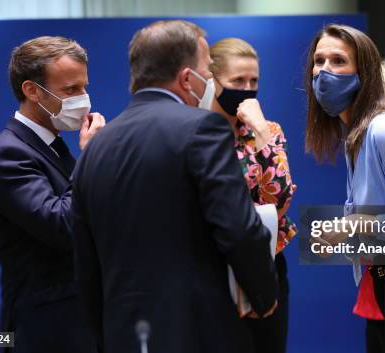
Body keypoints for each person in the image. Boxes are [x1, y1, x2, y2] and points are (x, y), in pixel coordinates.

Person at [70, 20, 278, 353]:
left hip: (122, 332)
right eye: (206, 72)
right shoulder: (203, 128)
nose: (208, 79)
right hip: (197, 331)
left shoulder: (94, 147)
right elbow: (238, 228)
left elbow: (84, 259)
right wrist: (264, 295)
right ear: (186, 78)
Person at [0, 36, 106, 352]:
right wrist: (90, 157)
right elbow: (63, 225)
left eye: (84, 87)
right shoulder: (6, 155)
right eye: (70, 90)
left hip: (82, 319)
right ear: (32, 91)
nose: (83, 99)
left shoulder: (54, 143)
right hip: (46, 328)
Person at [303, 24, 385, 353]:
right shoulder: (357, 136)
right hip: (383, 285)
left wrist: (354, 225)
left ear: (365, 73)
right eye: (319, 61)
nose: (324, 72)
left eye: (339, 61)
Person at [209, 37, 297, 353]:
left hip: (266, 260)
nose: (247, 89)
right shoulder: (195, 132)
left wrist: (260, 133)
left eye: (254, 81)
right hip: (214, 266)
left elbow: (281, 201)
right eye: (237, 81)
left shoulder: (268, 130)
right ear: (213, 81)